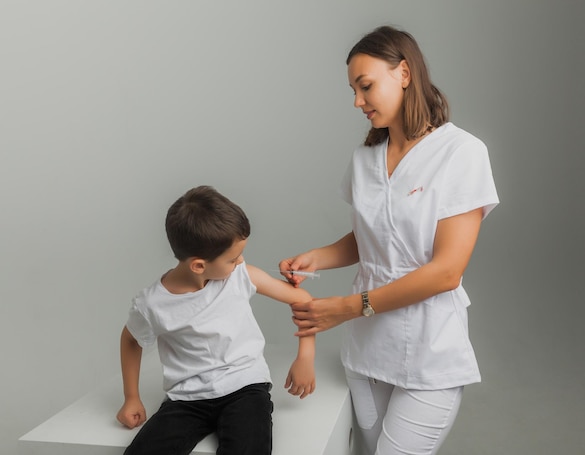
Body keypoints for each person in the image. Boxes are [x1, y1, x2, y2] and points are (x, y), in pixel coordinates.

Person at [280, 25, 499, 455]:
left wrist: (346, 308)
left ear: (403, 73)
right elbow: (372, 238)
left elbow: (447, 272)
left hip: (429, 348)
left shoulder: (461, 153)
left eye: (365, 86)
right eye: (353, 91)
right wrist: (316, 259)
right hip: (366, 352)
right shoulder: (365, 159)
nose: (357, 101)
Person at [116, 185, 316, 455]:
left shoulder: (240, 276)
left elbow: (302, 300)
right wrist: (131, 397)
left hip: (244, 388)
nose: (241, 261)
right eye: (233, 258)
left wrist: (305, 357)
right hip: (186, 399)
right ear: (199, 265)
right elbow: (131, 340)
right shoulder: (152, 304)